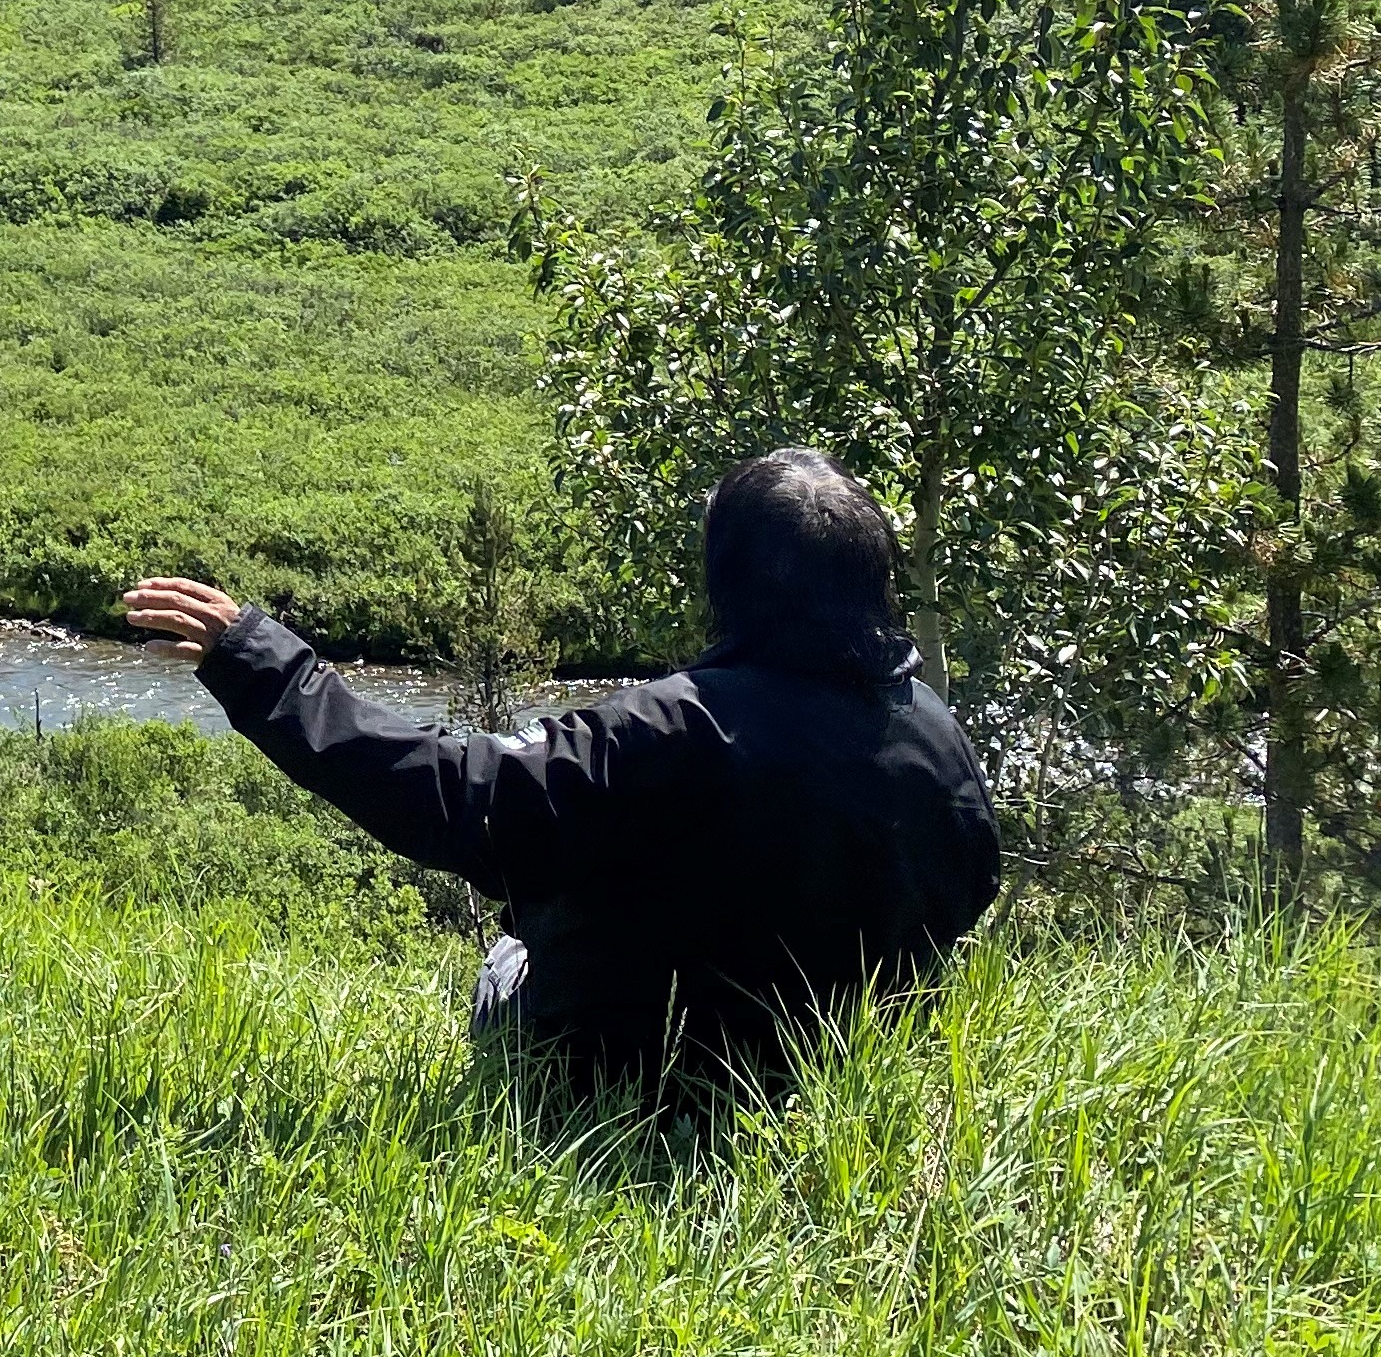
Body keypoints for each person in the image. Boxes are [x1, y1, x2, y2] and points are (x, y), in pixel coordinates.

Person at [123, 447, 999, 1089]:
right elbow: (966, 896)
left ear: (728, 583)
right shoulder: (937, 736)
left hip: (632, 1082)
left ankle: (517, 1093)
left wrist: (262, 662)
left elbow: (456, 795)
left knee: (507, 954)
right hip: (831, 1081)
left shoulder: (671, 728)